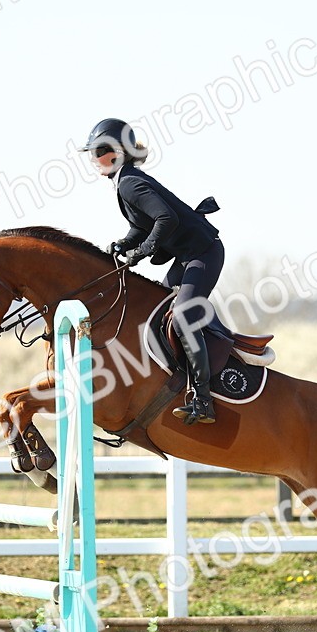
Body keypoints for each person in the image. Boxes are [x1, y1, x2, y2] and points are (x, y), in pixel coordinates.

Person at [79, 118, 223, 426]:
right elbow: (143, 225)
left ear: (119, 152)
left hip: (204, 254)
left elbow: (166, 219)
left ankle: (203, 399)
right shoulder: (125, 181)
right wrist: (125, 243)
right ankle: (173, 382)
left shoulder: (129, 182)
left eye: (100, 151)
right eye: (93, 152)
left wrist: (141, 252)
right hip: (187, 257)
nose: (94, 158)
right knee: (155, 311)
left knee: (181, 317)